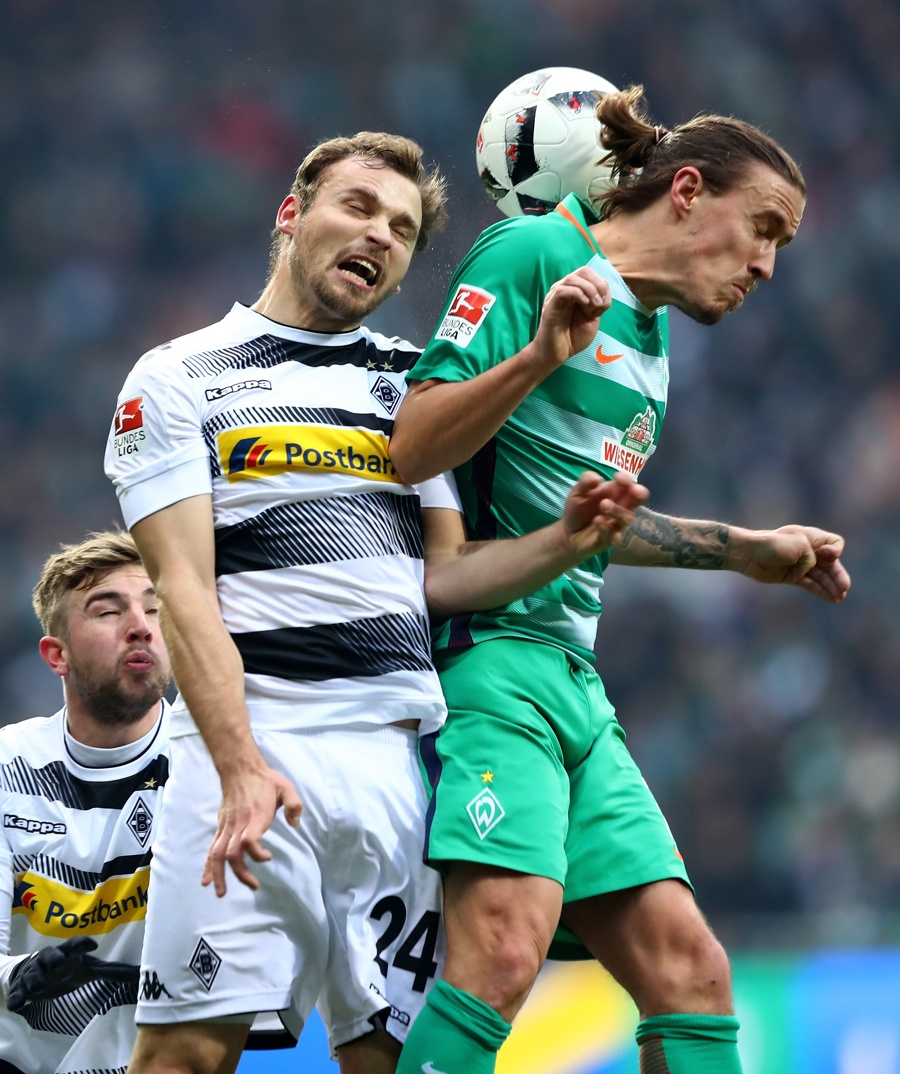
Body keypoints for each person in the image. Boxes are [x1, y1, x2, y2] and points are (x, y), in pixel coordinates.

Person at [103, 131, 648, 1074]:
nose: (379, 236)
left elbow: (442, 576)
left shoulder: (409, 387)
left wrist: (563, 542)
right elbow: (184, 588)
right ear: (292, 214)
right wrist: (238, 767)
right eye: (357, 207)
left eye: (401, 229)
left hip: (397, 766)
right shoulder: (178, 375)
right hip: (251, 749)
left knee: (389, 1059)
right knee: (184, 1057)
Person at [388, 85, 852, 1074]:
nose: (768, 265)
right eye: (761, 229)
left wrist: (743, 550)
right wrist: (538, 355)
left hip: (574, 681)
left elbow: (587, 524)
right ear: (687, 190)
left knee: (692, 972)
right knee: (503, 951)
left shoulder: (651, 335)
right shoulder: (533, 256)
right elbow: (414, 442)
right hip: (489, 661)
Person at [0, 530, 171, 1074]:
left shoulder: (217, 763)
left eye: (154, 608)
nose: (140, 626)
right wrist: (21, 973)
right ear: (57, 655)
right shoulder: (7, 766)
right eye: (107, 612)